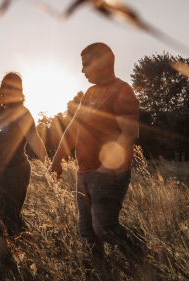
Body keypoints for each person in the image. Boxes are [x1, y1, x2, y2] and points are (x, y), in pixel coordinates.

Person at [50, 43, 159, 270]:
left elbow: (130, 133)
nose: (82, 72)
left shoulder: (121, 90)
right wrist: (57, 159)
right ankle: (97, 273)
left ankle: (151, 261)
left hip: (108, 173)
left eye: (85, 66)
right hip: (84, 172)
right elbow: (72, 129)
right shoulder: (90, 93)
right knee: (87, 231)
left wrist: (105, 168)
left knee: (105, 228)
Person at [0, 72, 48, 266]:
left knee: (4, 216)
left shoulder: (22, 113)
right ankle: (34, 257)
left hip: (14, 171)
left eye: (13, 87)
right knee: (9, 215)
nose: (8, 90)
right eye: (5, 86)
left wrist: (49, 165)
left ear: (19, 91)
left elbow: (34, 139)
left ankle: (3, 259)